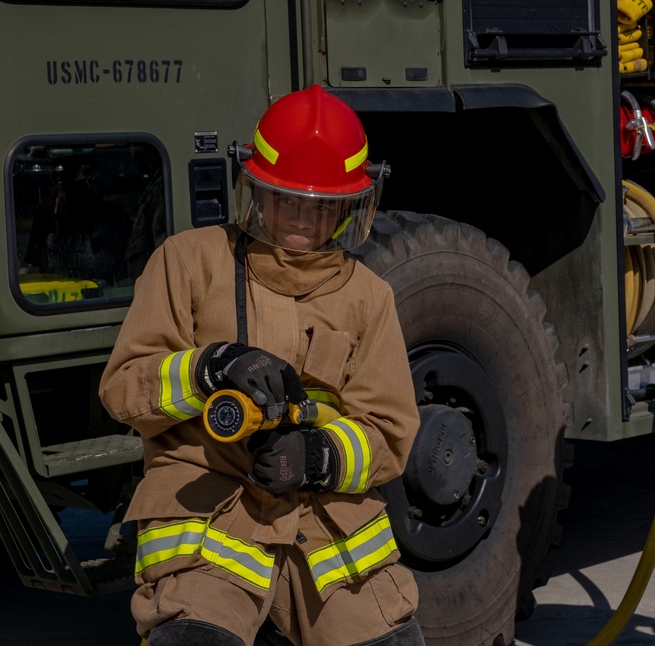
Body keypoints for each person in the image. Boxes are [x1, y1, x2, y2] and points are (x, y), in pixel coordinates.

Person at [99, 85, 425, 646]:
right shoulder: (188, 261)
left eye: (322, 205)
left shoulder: (368, 298)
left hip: (328, 531)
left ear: (348, 208)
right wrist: (209, 367)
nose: (303, 218)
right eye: (288, 199)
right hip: (207, 516)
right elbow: (124, 387)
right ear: (256, 190)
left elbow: (390, 431)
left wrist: (318, 455)